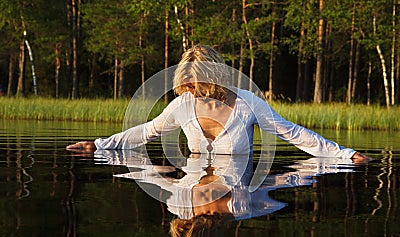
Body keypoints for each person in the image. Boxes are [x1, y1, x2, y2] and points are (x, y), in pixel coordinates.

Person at [67, 44, 370, 162]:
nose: (193, 91)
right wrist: (99, 145)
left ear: (216, 78)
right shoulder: (182, 105)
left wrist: (347, 155)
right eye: (187, 85)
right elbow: (147, 131)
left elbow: (293, 133)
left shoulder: (248, 104)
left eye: (198, 84)